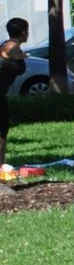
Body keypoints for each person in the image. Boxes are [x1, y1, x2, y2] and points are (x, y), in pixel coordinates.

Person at [0, 18, 26, 169]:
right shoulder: (11, 46)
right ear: (24, 32)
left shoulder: (9, 45)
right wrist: (23, 57)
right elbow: (10, 53)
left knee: (3, 130)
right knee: (2, 131)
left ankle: (1, 166)